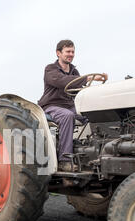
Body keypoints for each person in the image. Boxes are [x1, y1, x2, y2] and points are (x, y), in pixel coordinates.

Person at [38, 39, 107, 172]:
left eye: (72, 52)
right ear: (58, 53)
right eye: (67, 51)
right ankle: (65, 160)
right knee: (67, 116)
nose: (71, 54)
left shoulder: (74, 71)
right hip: (52, 105)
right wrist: (88, 78)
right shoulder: (50, 69)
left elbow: (80, 88)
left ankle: (97, 153)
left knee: (92, 115)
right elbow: (62, 81)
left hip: (70, 104)